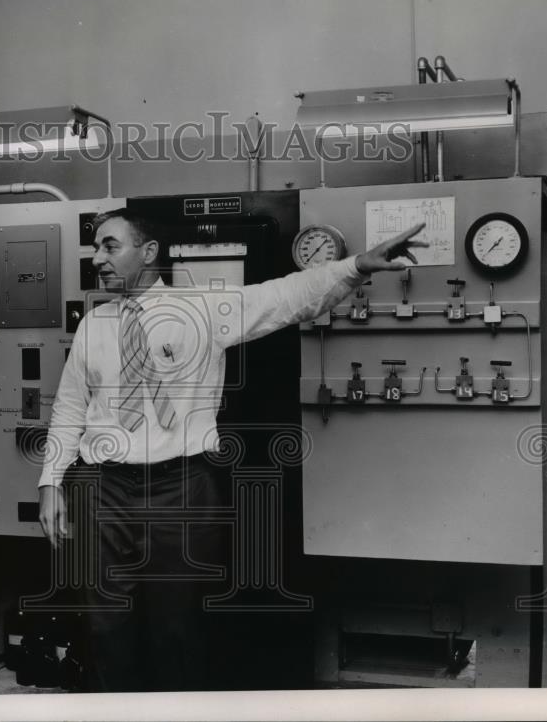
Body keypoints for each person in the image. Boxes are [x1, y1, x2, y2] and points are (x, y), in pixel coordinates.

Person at [37, 207, 426, 692]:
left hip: (179, 490)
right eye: (96, 248)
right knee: (104, 627)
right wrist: (51, 480)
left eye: (110, 246)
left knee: (177, 630)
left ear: (149, 252)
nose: (98, 258)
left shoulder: (201, 309)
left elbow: (286, 297)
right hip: (102, 493)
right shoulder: (93, 325)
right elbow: (70, 406)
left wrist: (355, 267)